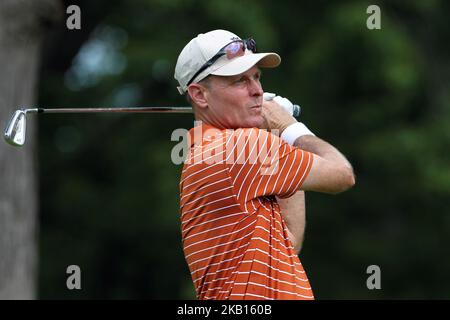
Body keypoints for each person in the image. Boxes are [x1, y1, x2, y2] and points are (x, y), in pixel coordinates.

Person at [174, 29, 355, 300]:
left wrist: (277, 135)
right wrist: (291, 127)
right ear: (199, 95)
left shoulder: (212, 152)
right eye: (239, 81)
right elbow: (342, 174)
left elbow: (289, 240)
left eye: (257, 77)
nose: (257, 91)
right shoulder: (241, 147)